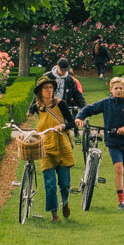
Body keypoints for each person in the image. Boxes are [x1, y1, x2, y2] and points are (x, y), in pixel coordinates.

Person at [77, 77, 124, 209]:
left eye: (121, 88)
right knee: (118, 167)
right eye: (116, 88)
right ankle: (120, 201)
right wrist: (80, 117)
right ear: (111, 89)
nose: (118, 91)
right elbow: (90, 108)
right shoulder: (106, 103)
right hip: (112, 142)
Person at [27, 77, 79, 221]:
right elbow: (30, 111)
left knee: (64, 183)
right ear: (40, 92)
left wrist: (62, 126)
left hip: (62, 145)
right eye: (46, 88)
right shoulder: (38, 106)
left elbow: (72, 123)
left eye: (51, 87)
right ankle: (54, 214)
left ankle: (65, 202)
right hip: (45, 146)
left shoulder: (60, 104)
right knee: (49, 185)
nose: (49, 90)